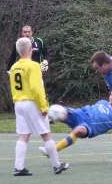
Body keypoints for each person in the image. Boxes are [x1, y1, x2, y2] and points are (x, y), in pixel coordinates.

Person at [8, 37, 69, 176]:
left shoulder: (14, 67)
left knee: (23, 136)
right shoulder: (33, 66)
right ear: (31, 49)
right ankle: (57, 165)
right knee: (46, 134)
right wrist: (43, 106)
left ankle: (18, 167)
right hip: (31, 103)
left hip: (18, 103)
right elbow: (36, 88)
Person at [38, 92, 112, 162]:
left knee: (78, 130)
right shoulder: (103, 102)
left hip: (89, 126)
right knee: (56, 110)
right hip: (80, 114)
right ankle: (44, 120)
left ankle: (51, 151)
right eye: (111, 94)